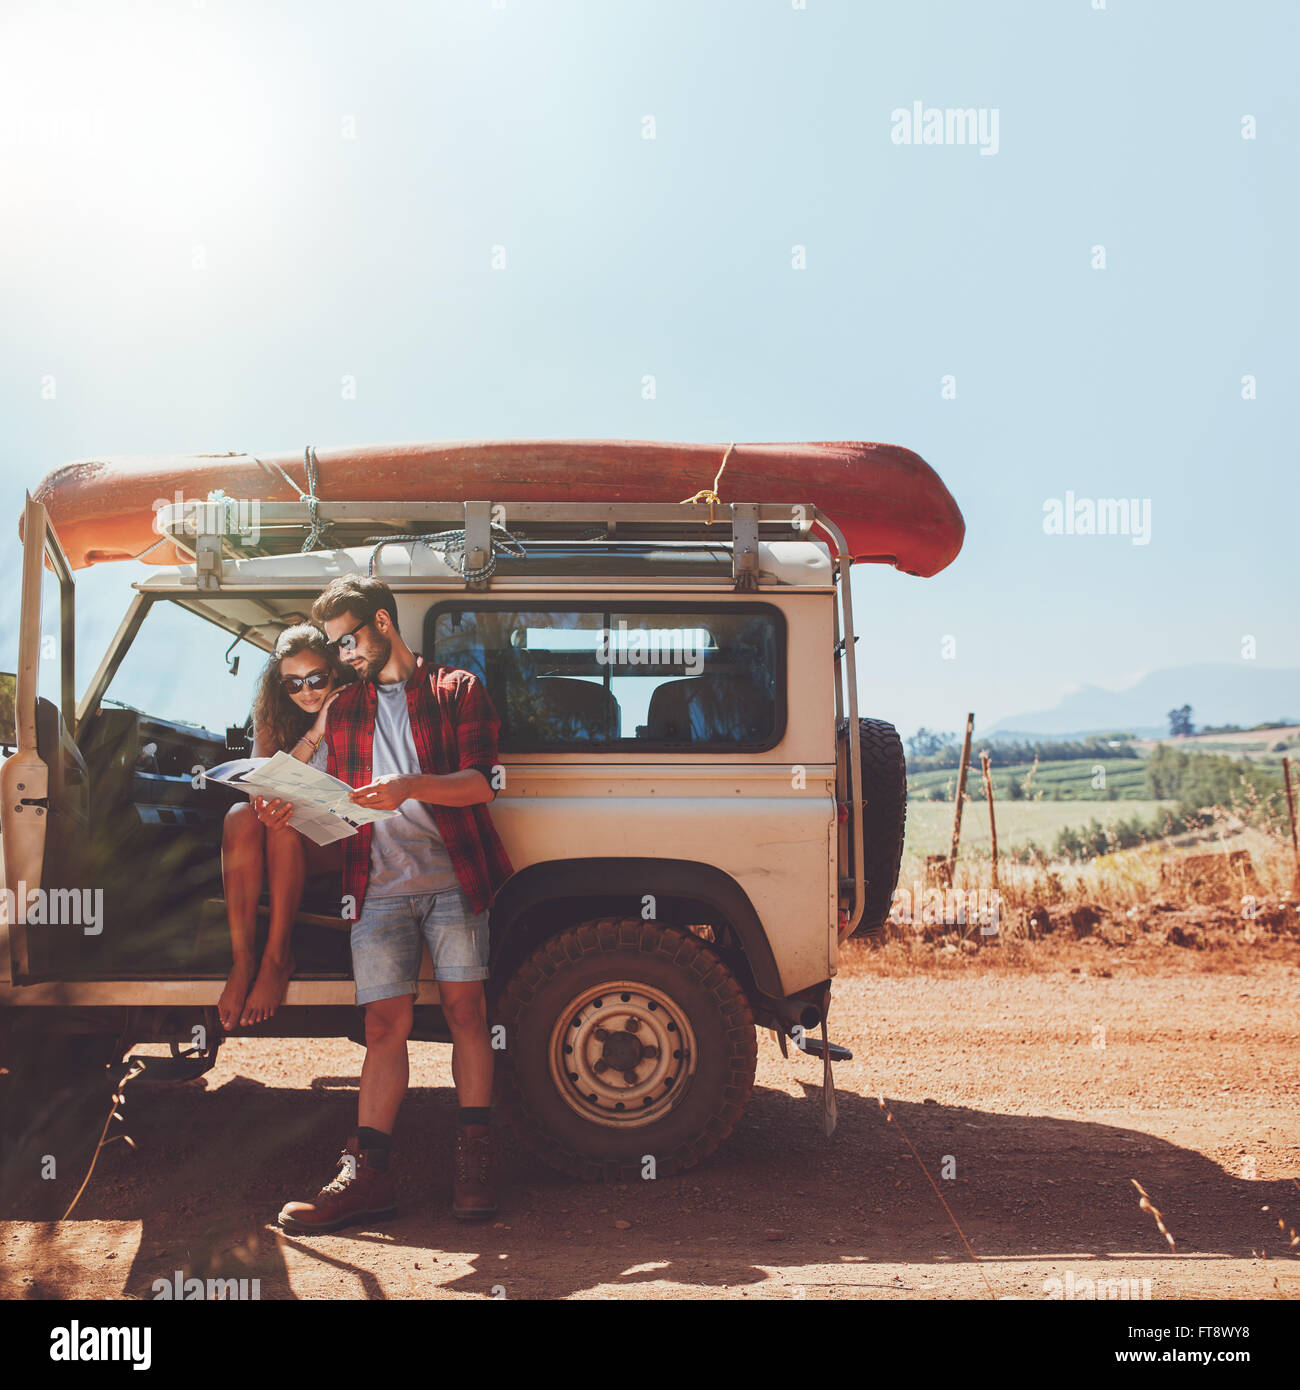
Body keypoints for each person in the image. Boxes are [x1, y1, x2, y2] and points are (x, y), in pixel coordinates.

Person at [275, 576, 513, 1233]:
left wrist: (411, 785)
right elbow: (311, 768)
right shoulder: (346, 707)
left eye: (350, 640)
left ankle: (474, 1159)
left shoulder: (455, 689)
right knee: (383, 1027)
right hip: (376, 884)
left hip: (454, 878)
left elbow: (484, 783)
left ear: (383, 622)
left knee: (467, 1010)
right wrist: (281, 790)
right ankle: (370, 1178)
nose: (343, 655)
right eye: (335, 645)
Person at [216, 624, 353, 1031]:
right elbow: (265, 782)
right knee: (241, 816)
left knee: (283, 822)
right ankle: (243, 961)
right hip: (290, 835)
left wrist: (326, 723)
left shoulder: (356, 707)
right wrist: (312, 734)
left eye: (316, 679)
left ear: (334, 671)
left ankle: (277, 957)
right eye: (293, 683)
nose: (306, 691)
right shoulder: (273, 716)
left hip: (342, 838)